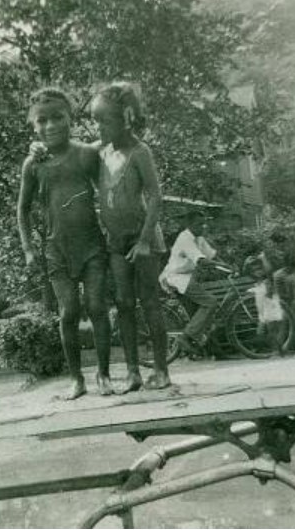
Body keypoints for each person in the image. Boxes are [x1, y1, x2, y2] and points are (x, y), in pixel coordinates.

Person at [18, 88, 113, 400]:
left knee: (98, 307)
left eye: (58, 117)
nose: (50, 126)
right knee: (68, 311)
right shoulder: (33, 165)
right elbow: (22, 210)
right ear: (34, 127)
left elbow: (108, 186)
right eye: (42, 121)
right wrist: (29, 248)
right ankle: (76, 379)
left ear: (70, 118)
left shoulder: (85, 154)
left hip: (91, 245)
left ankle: (103, 374)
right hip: (55, 248)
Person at [91, 82, 170, 391]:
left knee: (149, 301)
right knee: (123, 303)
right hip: (116, 242)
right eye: (95, 120)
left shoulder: (140, 152)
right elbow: (71, 151)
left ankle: (161, 370)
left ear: (125, 117)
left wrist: (144, 240)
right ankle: (133, 372)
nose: (98, 127)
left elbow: (155, 197)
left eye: (104, 121)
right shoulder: (100, 152)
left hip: (143, 238)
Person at [160, 210, 222, 355]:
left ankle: (211, 348)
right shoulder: (185, 238)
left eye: (204, 223)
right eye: (199, 224)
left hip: (186, 278)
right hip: (177, 278)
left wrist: (227, 265)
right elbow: (201, 260)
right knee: (210, 302)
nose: (203, 226)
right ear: (189, 224)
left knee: (197, 314)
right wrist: (220, 266)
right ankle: (186, 337)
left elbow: (212, 255)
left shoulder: (199, 238)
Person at [244, 256, 286, 355]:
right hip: (262, 309)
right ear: (251, 272)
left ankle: (277, 348)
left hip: (270, 307)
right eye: (255, 270)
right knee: (263, 329)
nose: (258, 272)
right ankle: (268, 347)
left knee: (273, 328)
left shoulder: (267, 281)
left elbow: (270, 293)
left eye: (260, 269)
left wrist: (263, 257)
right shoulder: (257, 284)